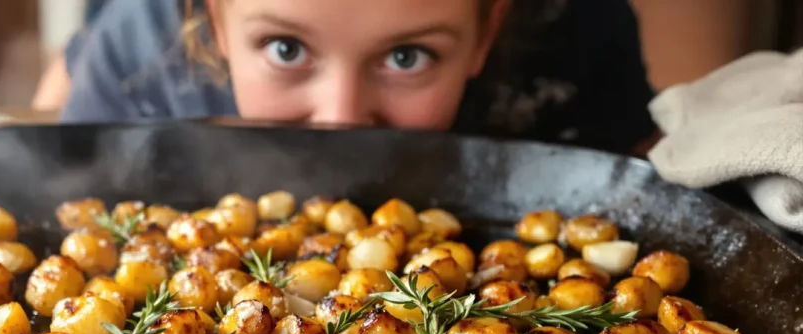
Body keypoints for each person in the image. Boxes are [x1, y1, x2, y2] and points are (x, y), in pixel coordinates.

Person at [44, 0, 658, 156]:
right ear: (218, 22)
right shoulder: (134, 54)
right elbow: (59, 168)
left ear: (486, 34)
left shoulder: (580, 39)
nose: (341, 118)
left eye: (407, 57)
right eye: (286, 48)